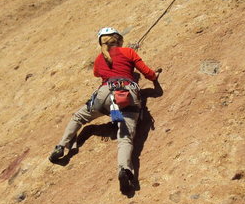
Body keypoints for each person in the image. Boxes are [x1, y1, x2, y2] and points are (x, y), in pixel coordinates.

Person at [49, 27, 161, 193]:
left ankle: (61, 146)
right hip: (125, 94)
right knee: (125, 138)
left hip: (103, 96)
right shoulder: (128, 52)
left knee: (78, 117)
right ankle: (124, 170)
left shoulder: (99, 58)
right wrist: (154, 77)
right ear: (119, 39)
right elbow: (147, 72)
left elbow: (97, 73)